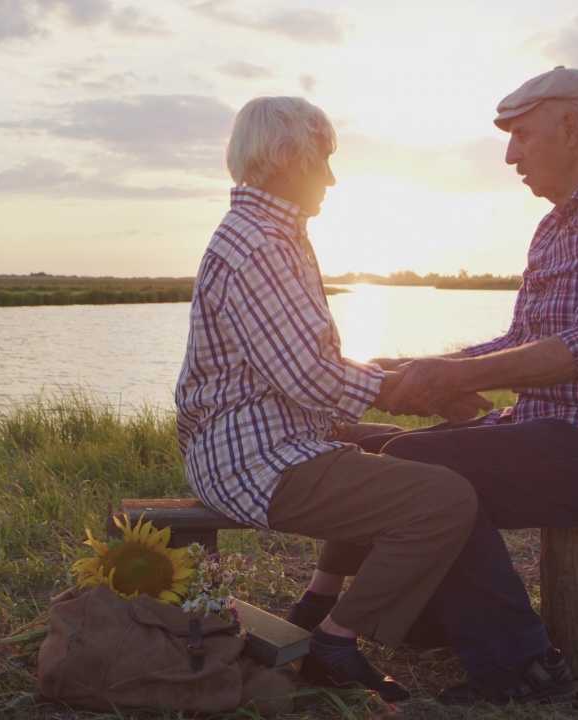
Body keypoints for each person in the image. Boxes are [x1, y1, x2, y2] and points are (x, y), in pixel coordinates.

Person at [296, 66, 578, 705]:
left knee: (417, 461)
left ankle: (521, 664)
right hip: (550, 432)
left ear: (570, 129)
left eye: (521, 136)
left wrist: (462, 376)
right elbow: (517, 341)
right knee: (372, 449)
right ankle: (421, 620)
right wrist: (414, 370)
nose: (510, 156)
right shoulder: (556, 225)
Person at [174, 96, 490, 702]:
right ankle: (335, 643)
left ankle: (318, 601)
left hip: (271, 436)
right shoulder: (261, 246)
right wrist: (412, 391)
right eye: (325, 159)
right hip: (253, 458)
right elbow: (313, 379)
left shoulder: (271, 232)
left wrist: (404, 374)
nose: (333, 176)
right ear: (290, 155)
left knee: (407, 452)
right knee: (445, 499)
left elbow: (304, 369)